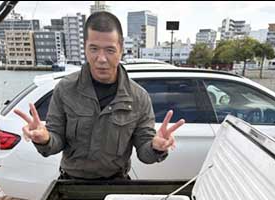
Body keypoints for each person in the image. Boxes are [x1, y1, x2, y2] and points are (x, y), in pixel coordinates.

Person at [13, 11, 184, 180]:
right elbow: (55, 142)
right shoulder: (65, 89)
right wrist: (44, 139)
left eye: (110, 50)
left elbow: (144, 153)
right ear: (85, 47)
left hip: (116, 184)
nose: (101, 59)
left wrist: (157, 148)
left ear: (121, 49)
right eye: (94, 49)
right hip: (71, 184)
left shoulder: (139, 97)